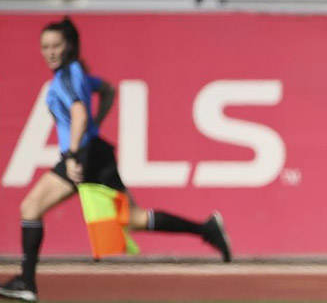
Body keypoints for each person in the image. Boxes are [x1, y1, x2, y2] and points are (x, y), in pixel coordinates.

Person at [0, 17, 232, 303]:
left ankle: (26, 281)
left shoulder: (66, 78)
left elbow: (79, 114)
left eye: (56, 45)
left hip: (82, 155)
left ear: (69, 46)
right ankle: (205, 228)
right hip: (95, 152)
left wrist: (73, 154)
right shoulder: (76, 73)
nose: (49, 52)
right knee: (132, 219)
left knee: (30, 207)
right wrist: (94, 128)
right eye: (45, 46)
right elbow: (108, 90)